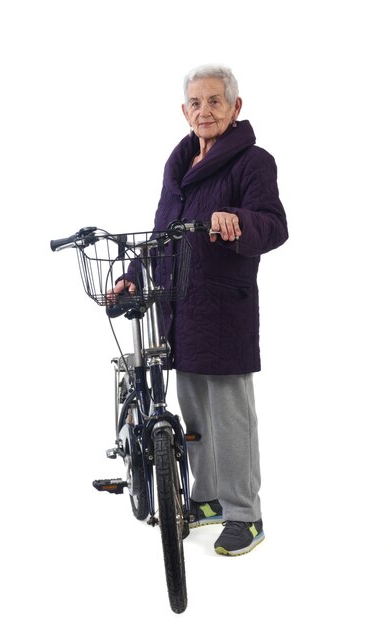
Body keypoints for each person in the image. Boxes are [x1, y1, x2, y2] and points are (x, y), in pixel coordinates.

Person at [114, 64, 288, 556]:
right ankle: (207, 498)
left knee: (231, 416)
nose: (204, 110)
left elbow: (274, 225)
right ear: (184, 111)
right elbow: (159, 233)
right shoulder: (179, 165)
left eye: (215, 101)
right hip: (178, 305)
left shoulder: (252, 162)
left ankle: (244, 513)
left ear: (235, 107)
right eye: (196, 102)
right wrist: (133, 273)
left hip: (222, 303)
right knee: (193, 412)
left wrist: (239, 220)